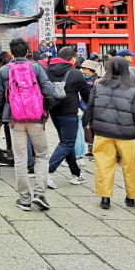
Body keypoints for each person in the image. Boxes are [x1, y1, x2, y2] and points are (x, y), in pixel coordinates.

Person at [0, 38, 55, 212]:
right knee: (42, 155)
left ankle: (24, 199)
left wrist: (0, 116)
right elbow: (48, 90)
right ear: (28, 52)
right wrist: (46, 109)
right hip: (36, 117)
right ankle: (40, 193)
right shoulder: (36, 67)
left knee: (20, 158)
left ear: (11, 53)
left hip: (15, 118)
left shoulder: (4, 71)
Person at [84, 57, 135, 209]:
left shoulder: (99, 85)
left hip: (103, 132)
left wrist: (86, 122)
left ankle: (105, 197)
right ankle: (131, 197)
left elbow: (91, 106)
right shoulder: (132, 89)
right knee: (130, 165)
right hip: (127, 133)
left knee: (103, 165)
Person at [45, 46, 90, 190]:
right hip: (69, 112)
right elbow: (86, 94)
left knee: (66, 142)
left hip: (54, 111)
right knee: (68, 142)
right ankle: (48, 171)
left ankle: (76, 174)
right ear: (72, 59)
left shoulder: (47, 70)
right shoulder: (75, 73)